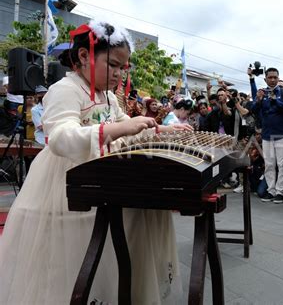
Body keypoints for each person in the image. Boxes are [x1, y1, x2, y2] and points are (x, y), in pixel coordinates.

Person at [0, 19, 192, 304]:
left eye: (122, 68)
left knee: (126, 230)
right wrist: (115, 129)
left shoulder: (108, 96)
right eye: (112, 65)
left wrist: (162, 129)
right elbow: (61, 137)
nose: (118, 74)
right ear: (83, 55)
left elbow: (130, 124)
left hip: (103, 176)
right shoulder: (65, 89)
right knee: (75, 250)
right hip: (65, 180)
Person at [250, 68, 283, 204]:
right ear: (265, 79)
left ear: (278, 78)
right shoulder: (262, 93)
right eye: (270, 77)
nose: (273, 80)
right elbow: (254, 112)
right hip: (267, 135)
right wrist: (259, 100)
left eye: (275, 77)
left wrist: (275, 100)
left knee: (282, 165)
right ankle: (271, 190)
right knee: (269, 164)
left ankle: (280, 192)